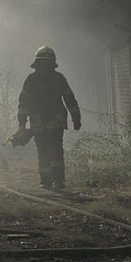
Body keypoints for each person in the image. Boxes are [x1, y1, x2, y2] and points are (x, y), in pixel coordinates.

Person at [17, 45, 81, 190]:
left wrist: (76, 118)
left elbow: (69, 99)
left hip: (53, 120)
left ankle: (56, 181)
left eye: (47, 63)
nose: (45, 67)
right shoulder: (36, 80)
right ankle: (46, 182)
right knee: (44, 150)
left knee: (54, 150)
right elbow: (24, 102)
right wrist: (22, 123)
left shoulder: (54, 79)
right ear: (38, 64)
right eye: (43, 63)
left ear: (52, 64)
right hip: (41, 121)